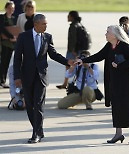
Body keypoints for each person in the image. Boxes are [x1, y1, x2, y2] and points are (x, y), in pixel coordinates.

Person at [13, 14, 74, 144]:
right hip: (27, 77)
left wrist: (67, 62)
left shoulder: (47, 37)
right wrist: (16, 77)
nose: (46, 26)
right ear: (36, 24)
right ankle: (39, 130)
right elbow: (17, 58)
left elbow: (53, 54)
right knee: (29, 106)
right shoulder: (23, 37)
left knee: (38, 105)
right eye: (44, 24)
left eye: (46, 24)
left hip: (41, 76)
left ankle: (36, 133)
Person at [77, 25, 129, 144]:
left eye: (107, 32)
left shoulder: (124, 46)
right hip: (113, 81)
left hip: (125, 82)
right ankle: (118, 133)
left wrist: (120, 66)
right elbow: (99, 56)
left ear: (115, 35)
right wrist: (83, 60)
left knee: (127, 107)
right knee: (116, 106)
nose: (105, 34)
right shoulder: (109, 46)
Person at [56, 11, 84, 89]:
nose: (67, 17)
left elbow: (73, 39)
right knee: (74, 66)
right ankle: (66, 83)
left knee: (68, 65)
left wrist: (72, 50)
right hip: (78, 49)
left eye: (69, 16)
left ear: (72, 17)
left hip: (73, 50)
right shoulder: (79, 25)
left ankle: (66, 83)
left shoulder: (73, 26)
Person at [0, 1, 16, 88]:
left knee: (6, 63)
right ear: (6, 8)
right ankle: (1, 80)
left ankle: (3, 80)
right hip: (4, 43)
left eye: (13, 8)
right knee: (2, 62)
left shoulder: (13, 18)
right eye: (9, 8)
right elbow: (2, 28)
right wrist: (10, 36)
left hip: (11, 44)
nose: (11, 10)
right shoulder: (2, 18)